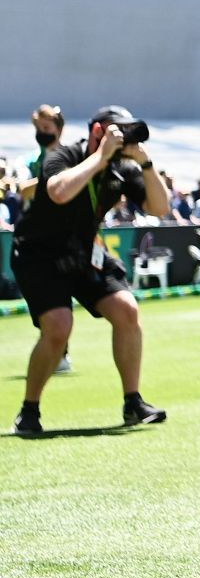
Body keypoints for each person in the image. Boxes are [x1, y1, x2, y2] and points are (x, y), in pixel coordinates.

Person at [11, 106, 170, 434]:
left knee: (126, 310)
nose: (122, 138)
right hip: (37, 255)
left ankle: (133, 402)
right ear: (97, 130)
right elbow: (58, 192)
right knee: (58, 327)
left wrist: (146, 163)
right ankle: (29, 411)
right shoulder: (63, 156)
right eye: (117, 131)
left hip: (83, 253)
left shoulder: (122, 169)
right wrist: (100, 157)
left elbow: (160, 208)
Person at [21, 105, 74, 376]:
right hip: (36, 236)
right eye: (38, 128)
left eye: (46, 128)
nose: (42, 133)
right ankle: (54, 346)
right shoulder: (32, 160)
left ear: (58, 128)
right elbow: (24, 191)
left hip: (66, 236)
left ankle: (60, 350)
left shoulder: (71, 157)